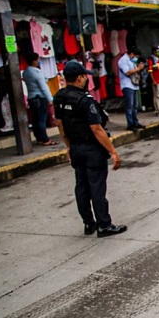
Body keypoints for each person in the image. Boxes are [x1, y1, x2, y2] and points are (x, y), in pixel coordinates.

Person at [54, 61, 127, 238]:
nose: (86, 78)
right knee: (97, 187)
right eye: (84, 75)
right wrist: (113, 151)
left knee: (81, 186)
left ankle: (88, 223)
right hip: (91, 149)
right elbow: (96, 128)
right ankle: (104, 225)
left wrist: (69, 147)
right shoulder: (85, 100)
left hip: (76, 148)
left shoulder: (59, 97)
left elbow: (60, 126)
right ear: (79, 78)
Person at [22, 51, 57, 146]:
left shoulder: (26, 72)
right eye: (37, 59)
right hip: (39, 98)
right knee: (42, 120)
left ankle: (38, 138)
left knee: (36, 120)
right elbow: (43, 87)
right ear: (34, 61)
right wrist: (50, 99)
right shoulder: (36, 73)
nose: (38, 61)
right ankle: (45, 139)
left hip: (31, 98)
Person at [117, 47, 146, 131]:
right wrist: (138, 68)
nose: (135, 58)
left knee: (135, 105)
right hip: (127, 85)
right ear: (132, 54)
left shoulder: (131, 60)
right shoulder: (123, 61)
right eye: (135, 56)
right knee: (130, 105)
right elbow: (127, 72)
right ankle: (130, 124)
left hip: (134, 85)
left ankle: (136, 122)